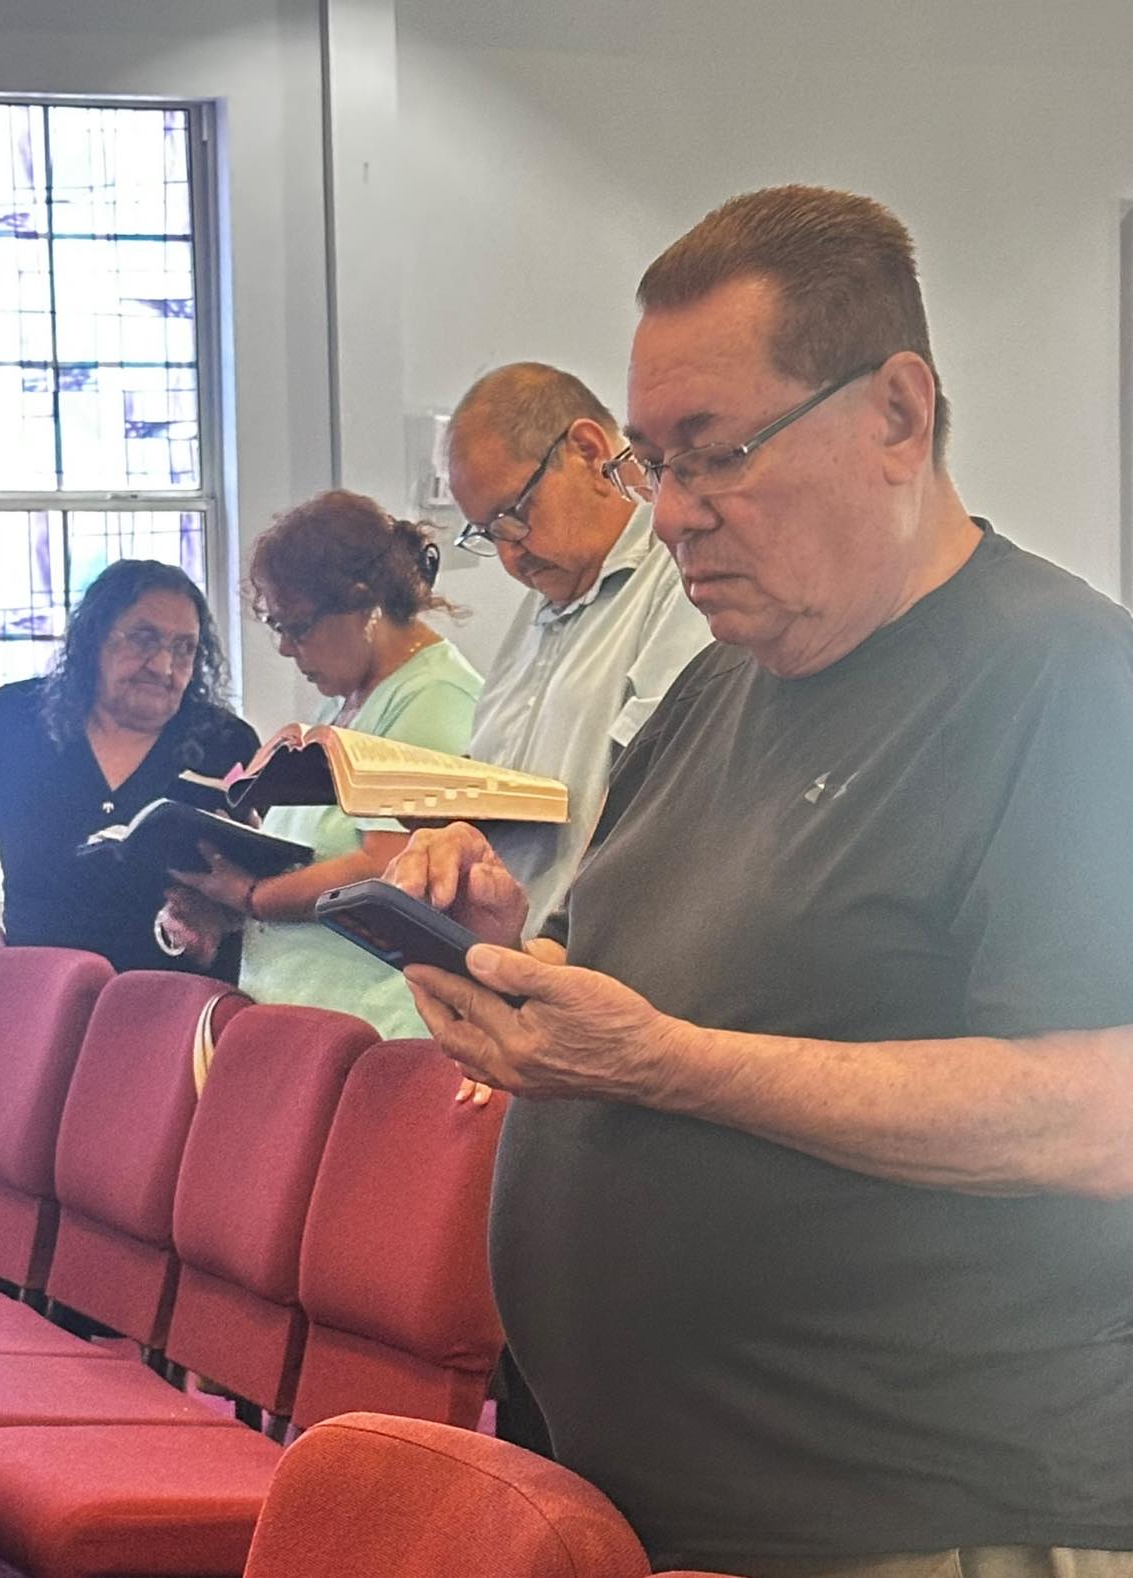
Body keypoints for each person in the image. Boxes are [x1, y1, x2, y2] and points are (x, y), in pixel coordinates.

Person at [386, 187, 1133, 1578]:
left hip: (923, 1515)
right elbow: (635, 974)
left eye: (713, 452)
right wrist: (506, 947)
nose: (671, 514)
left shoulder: (1067, 684)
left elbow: (1098, 1112)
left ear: (896, 415)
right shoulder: (714, 690)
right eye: (652, 463)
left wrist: (670, 1064)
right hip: (655, 1506)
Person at [168, 489, 481, 1039]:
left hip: (374, 1027)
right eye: (277, 627)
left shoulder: (435, 695)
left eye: (297, 626)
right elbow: (313, 861)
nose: (286, 649)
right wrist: (223, 896)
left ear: (365, 602)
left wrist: (251, 895)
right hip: (301, 1016)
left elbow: (386, 865)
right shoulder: (342, 705)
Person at [447, 362, 710, 932]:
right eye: (488, 534)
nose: (510, 554)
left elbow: (661, 797)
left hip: (593, 951)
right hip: (505, 946)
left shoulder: (684, 580)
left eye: (514, 516)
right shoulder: (536, 610)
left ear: (590, 452)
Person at [0, 560, 257, 977]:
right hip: (42, 990)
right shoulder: (20, 720)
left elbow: (265, 873)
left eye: (184, 648)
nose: (163, 666)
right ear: (94, 638)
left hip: (182, 993)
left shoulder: (226, 742)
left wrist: (222, 912)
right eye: (144, 640)